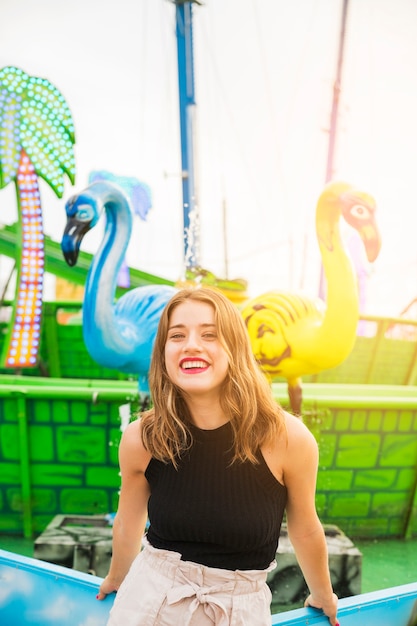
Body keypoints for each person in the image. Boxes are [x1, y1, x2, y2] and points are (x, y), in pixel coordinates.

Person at [97, 286, 339, 626]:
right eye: (176, 335)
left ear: (235, 348)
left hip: (240, 608)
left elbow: (305, 528)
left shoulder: (289, 438)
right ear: (163, 351)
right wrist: (117, 578)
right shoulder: (142, 437)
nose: (191, 344)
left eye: (209, 334)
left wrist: (323, 594)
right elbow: (128, 522)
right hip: (147, 599)